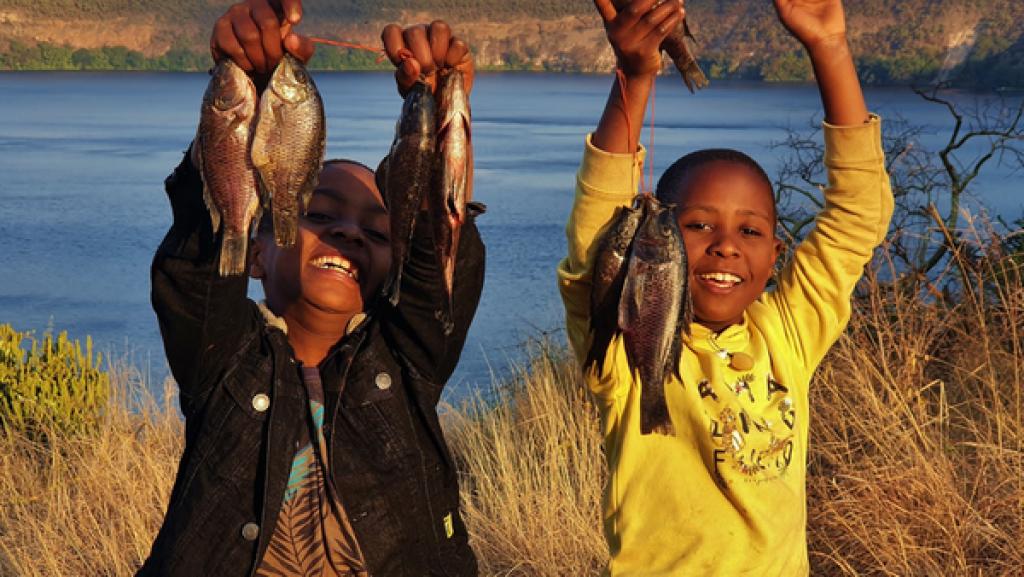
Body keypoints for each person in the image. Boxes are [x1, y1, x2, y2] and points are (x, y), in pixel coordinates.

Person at [140, 1, 482, 575]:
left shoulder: (408, 361)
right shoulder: (221, 360)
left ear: (395, 265)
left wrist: (439, 114)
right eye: (318, 215)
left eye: (379, 231)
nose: (348, 232)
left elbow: (438, 258)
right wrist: (239, 99)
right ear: (255, 254)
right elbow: (194, 272)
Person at [557, 0, 893, 573]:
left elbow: (858, 216)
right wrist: (635, 79)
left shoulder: (786, 335)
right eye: (697, 225)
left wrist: (830, 47)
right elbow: (596, 243)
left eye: (750, 231)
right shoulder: (626, 345)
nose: (726, 246)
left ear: (775, 256)